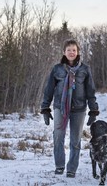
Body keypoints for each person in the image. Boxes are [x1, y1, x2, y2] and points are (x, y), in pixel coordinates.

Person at [40, 39, 99, 178]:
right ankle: (59, 165)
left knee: (75, 139)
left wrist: (93, 110)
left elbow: (90, 91)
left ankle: (72, 168)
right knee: (58, 136)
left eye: (74, 50)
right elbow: (49, 90)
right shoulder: (57, 69)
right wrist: (45, 108)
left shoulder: (85, 69)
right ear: (64, 52)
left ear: (78, 52)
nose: (71, 52)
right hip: (60, 107)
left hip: (79, 108)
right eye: (69, 50)